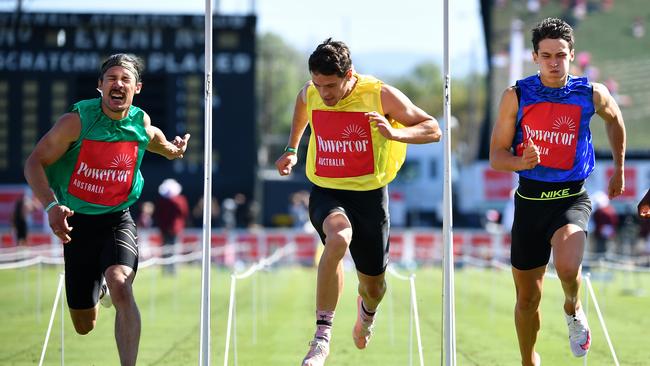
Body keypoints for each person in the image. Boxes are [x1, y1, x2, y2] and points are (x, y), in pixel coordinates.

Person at [275, 38, 441, 365]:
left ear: (349, 74)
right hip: (327, 188)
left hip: (369, 197)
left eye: (331, 86)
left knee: (374, 288)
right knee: (337, 239)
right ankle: (321, 338)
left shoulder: (379, 95)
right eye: (319, 84)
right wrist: (292, 150)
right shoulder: (311, 92)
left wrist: (396, 134)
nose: (324, 94)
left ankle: (366, 314)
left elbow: (432, 129)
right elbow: (302, 107)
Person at [23, 53, 190, 366]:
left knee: (121, 284)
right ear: (100, 86)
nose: (118, 84)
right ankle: (96, 289)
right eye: (111, 78)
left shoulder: (139, 121)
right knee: (84, 325)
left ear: (136, 88)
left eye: (125, 79)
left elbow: (153, 138)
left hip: (117, 220)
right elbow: (34, 162)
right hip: (77, 224)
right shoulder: (76, 122)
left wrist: (172, 151)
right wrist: (51, 205)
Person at [489, 18, 625, 366]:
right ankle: (528, 360)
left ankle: (572, 306)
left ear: (572, 55)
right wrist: (521, 161)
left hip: (571, 198)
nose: (553, 62)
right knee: (527, 300)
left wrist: (619, 167)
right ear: (534, 56)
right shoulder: (516, 95)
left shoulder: (590, 93)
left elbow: (615, 120)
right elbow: (496, 157)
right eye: (546, 55)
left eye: (560, 55)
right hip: (530, 203)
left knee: (567, 267)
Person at [155, 178, 189, 275]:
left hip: (170, 229)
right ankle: (169, 270)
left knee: (170, 249)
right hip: (170, 228)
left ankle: (169, 270)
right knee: (170, 249)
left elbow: (158, 214)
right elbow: (184, 213)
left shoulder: (166, 201)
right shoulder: (179, 200)